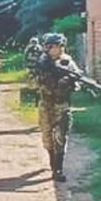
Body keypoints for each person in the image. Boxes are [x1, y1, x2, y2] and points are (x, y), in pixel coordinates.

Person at [36, 32, 81, 182]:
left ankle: (58, 169)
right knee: (47, 138)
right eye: (56, 46)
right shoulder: (42, 63)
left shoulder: (68, 63)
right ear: (48, 48)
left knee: (61, 136)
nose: (59, 49)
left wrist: (70, 82)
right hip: (46, 104)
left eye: (61, 46)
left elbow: (77, 81)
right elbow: (33, 82)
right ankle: (52, 162)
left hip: (62, 105)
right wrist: (48, 78)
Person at [23, 35, 44, 106]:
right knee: (30, 80)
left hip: (37, 68)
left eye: (35, 42)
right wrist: (26, 65)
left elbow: (42, 58)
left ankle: (36, 98)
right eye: (33, 42)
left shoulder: (40, 49)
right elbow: (25, 57)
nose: (34, 44)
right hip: (30, 67)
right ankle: (30, 92)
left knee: (38, 82)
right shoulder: (28, 49)